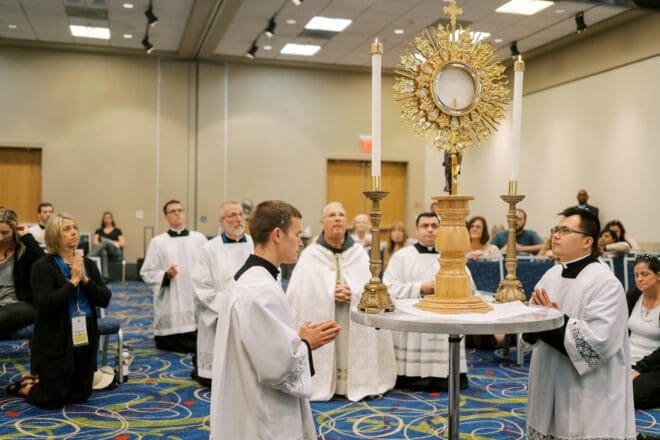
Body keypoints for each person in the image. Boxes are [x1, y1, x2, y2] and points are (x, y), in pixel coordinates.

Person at [209, 200, 341, 439]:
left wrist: (295, 339)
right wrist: (306, 344)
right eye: (297, 234)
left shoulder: (252, 276)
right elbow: (276, 368)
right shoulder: (259, 288)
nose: (301, 242)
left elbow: (263, 344)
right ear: (278, 235)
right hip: (261, 410)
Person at [523, 207, 635, 439]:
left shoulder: (605, 283)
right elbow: (532, 323)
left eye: (565, 230)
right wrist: (531, 321)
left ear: (587, 242)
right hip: (548, 376)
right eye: (556, 229)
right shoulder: (551, 274)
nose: (555, 235)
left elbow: (596, 345)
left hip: (587, 390)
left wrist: (550, 318)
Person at [286, 201, 397, 402]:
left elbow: (373, 289)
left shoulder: (360, 255)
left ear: (347, 222)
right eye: (332, 215)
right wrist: (329, 294)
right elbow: (297, 295)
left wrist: (353, 293)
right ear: (322, 222)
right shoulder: (310, 255)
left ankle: (353, 383)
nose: (337, 218)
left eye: (341, 215)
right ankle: (322, 382)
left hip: (350, 318)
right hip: (324, 319)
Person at [10, 213, 112, 408]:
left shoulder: (87, 264)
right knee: (54, 399)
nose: (74, 232)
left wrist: (85, 280)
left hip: (84, 333)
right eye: (67, 229)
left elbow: (104, 299)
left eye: (75, 228)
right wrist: (73, 281)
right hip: (55, 336)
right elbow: (46, 305)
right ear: (55, 235)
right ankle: (26, 386)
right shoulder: (42, 266)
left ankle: (47, 381)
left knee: (80, 395)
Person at [383, 212, 474, 391]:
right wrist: (420, 288)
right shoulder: (402, 256)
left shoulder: (453, 256)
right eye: (425, 226)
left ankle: (449, 376)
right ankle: (411, 377)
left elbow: (469, 287)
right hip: (414, 316)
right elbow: (388, 287)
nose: (430, 230)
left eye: (435, 226)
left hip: (444, 315)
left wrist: (450, 287)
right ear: (417, 230)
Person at [191, 201, 253, 386]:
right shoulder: (208, 249)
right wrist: (229, 307)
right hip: (221, 315)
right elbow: (201, 287)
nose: (238, 219)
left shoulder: (255, 244)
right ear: (221, 221)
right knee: (217, 379)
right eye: (232, 215)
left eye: (241, 214)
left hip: (250, 312)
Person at [140, 200, 207, 353]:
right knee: (171, 342)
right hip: (171, 298)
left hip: (193, 294)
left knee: (199, 336)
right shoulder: (158, 242)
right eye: (173, 211)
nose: (177, 213)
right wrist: (165, 275)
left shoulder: (199, 239)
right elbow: (147, 271)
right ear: (166, 217)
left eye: (180, 210)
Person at [0, 208, 44, 338]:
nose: (0, 237)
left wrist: (27, 236)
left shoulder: (24, 248)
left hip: (22, 303)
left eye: (5, 233)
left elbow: (43, 264)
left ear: (14, 230)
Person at [626, 254, 659, 410]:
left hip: (654, 365)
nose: (639, 279)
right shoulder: (634, 296)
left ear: (658, 275)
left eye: (645, 274)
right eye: (636, 275)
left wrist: (639, 369)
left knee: (633, 395)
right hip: (628, 359)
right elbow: (620, 329)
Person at [88, 212, 125, 278]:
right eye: (105, 218)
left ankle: (87, 257)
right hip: (103, 252)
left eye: (109, 218)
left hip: (115, 251)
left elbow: (122, 244)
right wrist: (104, 244)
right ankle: (105, 277)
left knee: (105, 242)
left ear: (112, 219)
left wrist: (109, 242)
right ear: (103, 219)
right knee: (104, 252)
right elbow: (95, 242)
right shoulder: (99, 231)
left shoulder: (117, 230)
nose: (107, 219)